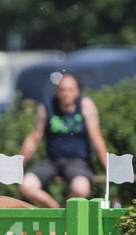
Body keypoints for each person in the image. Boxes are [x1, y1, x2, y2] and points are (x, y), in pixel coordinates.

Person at [18, 73, 108, 208]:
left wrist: (108, 167)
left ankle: (64, 211)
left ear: (77, 92)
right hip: (51, 160)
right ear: (56, 92)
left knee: (81, 189)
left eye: (70, 90)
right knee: (26, 186)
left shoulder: (85, 106)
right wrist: (15, 166)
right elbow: (33, 139)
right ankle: (55, 209)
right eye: (63, 90)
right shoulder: (46, 107)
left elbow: (96, 139)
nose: (66, 94)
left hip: (77, 160)